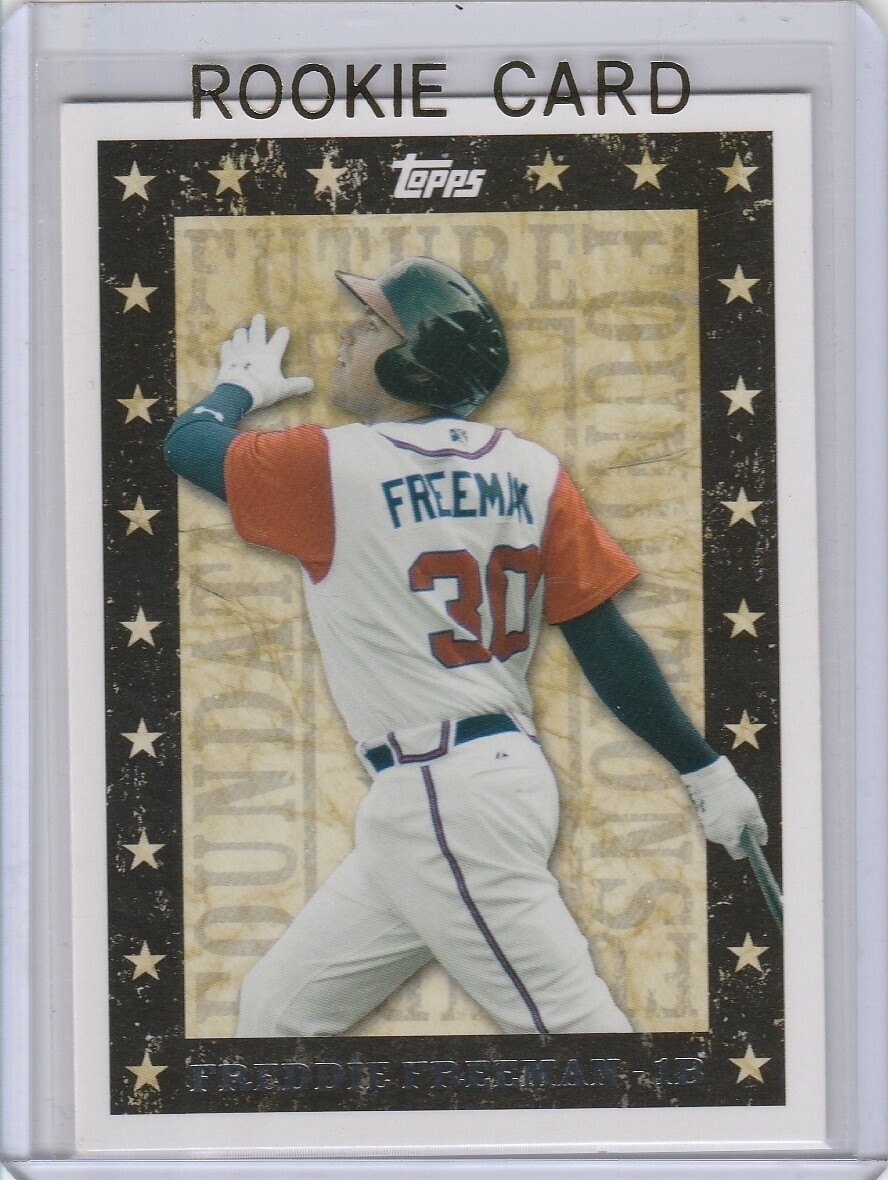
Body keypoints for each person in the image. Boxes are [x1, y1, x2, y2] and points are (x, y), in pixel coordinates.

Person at [164, 256, 767, 1037]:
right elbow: (602, 637)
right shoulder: (532, 470)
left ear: (413, 356)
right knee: (275, 1013)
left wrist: (237, 387)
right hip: (472, 788)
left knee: (578, 1038)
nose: (348, 333)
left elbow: (189, 443)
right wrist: (703, 768)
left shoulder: (331, 465)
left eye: (372, 324)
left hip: (444, 794)